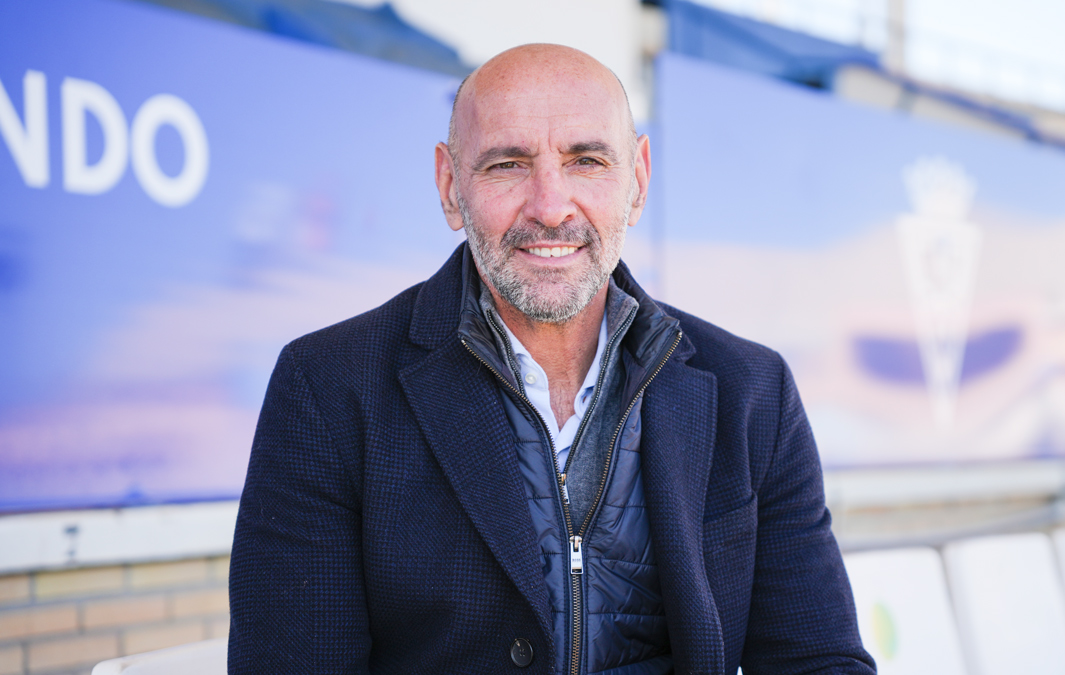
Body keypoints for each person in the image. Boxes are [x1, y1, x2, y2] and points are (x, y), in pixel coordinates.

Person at [228, 44, 875, 675]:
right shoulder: (328, 390)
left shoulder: (753, 394)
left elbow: (819, 660)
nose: (549, 206)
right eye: (507, 164)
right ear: (451, 186)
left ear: (638, 180)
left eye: (587, 160)